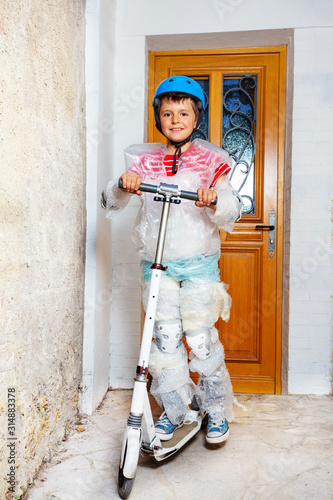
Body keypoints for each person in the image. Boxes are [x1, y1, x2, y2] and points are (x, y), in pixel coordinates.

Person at [102, 76, 242, 444]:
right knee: (164, 339)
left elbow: (232, 212)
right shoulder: (143, 161)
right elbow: (110, 202)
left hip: (198, 265)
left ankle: (215, 411)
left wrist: (214, 199)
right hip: (157, 263)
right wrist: (122, 184)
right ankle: (176, 410)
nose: (175, 120)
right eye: (168, 113)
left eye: (184, 113)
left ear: (197, 118)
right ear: (158, 118)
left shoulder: (213, 160)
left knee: (199, 339)